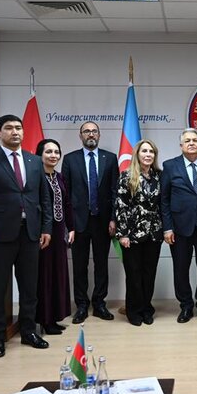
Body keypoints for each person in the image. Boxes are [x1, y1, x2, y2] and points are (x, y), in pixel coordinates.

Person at [0, 115, 52, 357]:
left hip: (30, 234)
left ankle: (28, 331)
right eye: (8, 128)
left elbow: (44, 199)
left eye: (18, 128)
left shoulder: (35, 161)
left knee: (29, 287)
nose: (15, 132)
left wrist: (46, 228)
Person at [61, 121, 118, 324]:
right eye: (86, 131)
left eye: (94, 131)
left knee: (102, 264)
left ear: (99, 135)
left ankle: (100, 303)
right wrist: (69, 224)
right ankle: (82, 305)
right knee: (80, 265)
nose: (90, 134)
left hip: (103, 222)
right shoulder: (69, 159)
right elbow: (65, 195)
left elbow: (114, 192)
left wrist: (113, 218)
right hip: (79, 223)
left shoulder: (110, 159)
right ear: (81, 136)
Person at [161, 128, 197, 323]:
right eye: (187, 141)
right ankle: (185, 306)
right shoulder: (169, 166)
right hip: (179, 229)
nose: (192, 143)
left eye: (195, 140)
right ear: (181, 145)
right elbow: (164, 200)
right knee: (181, 269)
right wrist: (167, 228)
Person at [115, 139, 163, 327]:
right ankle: (133, 311)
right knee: (133, 274)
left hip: (154, 233)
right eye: (144, 151)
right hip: (132, 234)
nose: (148, 154)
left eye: (151, 151)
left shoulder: (160, 176)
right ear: (137, 154)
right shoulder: (127, 176)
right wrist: (123, 234)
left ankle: (146, 308)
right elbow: (121, 206)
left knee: (149, 273)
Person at [35, 139, 74, 335]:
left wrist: (71, 227)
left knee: (59, 275)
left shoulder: (59, 177)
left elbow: (67, 204)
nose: (53, 155)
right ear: (40, 154)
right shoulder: (35, 176)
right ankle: (44, 319)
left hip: (59, 233)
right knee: (44, 276)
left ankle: (55, 317)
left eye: (56, 152)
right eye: (48, 151)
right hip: (43, 233)